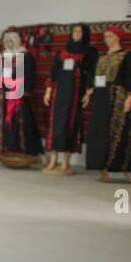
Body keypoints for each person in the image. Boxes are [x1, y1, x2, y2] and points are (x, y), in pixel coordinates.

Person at [84, 26, 131, 182]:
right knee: (99, 131)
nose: (106, 39)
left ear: (118, 37)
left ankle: (125, 168)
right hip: (101, 97)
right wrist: (89, 92)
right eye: (105, 36)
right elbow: (92, 75)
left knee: (120, 131)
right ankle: (102, 168)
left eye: (110, 36)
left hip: (118, 97)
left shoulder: (127, 56)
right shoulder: (100, 56)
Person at [43, 24, 96, 175]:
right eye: (74, 31)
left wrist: (88, 93)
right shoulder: (62, 51)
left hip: (75, 95)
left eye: (79, 31)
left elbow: (92, 73)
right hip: (59, 94)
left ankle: (65, 163)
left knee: (71, 126)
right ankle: (53, 160)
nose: (76, 33)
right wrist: (48, 91)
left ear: (85, 34)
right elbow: (54, 72)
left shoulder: (90, 52)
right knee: (56, 125)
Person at [0, 30, 43, 162]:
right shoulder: (3, 57)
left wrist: (22, 90)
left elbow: (29, 76)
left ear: (16, 41)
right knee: (6, 123)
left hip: (18, 95)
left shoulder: (25, 56)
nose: (9, 44)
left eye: (11, 41)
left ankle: (25, 152)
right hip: (4, 97)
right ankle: (8, 150)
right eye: (6, 41)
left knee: (22, 123)